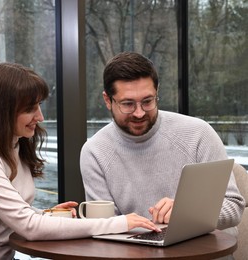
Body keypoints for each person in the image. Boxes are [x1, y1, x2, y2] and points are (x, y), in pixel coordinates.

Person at [0, 62, 160, 260]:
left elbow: (15, 215)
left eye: (38, 106)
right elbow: (27, 226)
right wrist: (120, 223)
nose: (40, 117)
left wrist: (44, 214)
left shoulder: (15, 147)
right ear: (1, 111)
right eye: (30, 109)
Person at [80, 52, 245, 232]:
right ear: (107, 100)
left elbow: (233, 207)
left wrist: (188, 213)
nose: (139, 113)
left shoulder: (198, 133)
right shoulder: (95, 151)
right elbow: (105, 226)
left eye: (147, 101)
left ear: (157, 93)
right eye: (127, 104)